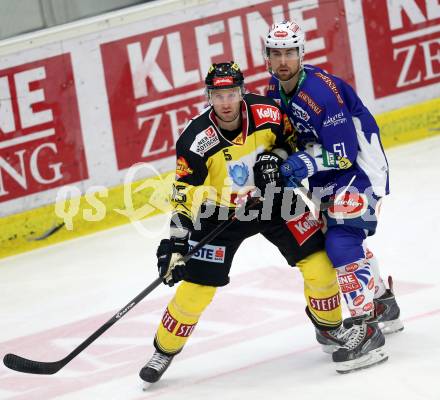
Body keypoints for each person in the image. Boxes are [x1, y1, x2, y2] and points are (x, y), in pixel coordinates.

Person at [139, 62, 347, 386]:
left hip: (274, 200)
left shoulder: (268, 113)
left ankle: (330, 326)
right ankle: (164, 349)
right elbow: (184, 196)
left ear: (242, 91)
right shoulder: (195, 140)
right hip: (220, 214)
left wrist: (276, 160)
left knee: (319, 264)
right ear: (209, 96)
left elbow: (292, 144)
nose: (225, 102)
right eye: (218, 95)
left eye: (231, 93)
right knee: (195, 292)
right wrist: (176, 244)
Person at [264, 20, 403, 372]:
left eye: (289, 53)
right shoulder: (273, 90)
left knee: (341, 242)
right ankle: (382, 303)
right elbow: (283, 139)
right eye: (276, 53)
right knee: (336, 240)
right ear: (266, 57)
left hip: (359, 169)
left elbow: (343, 151)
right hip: (326, 177)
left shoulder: (321, 91)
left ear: (301, 54)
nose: (283, 61)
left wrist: (302, 162)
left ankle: (366, 327)